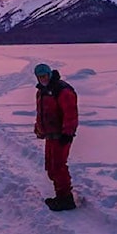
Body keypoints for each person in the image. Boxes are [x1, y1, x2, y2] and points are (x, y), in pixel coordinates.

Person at [33, 63, 78, 211]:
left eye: (44, 76)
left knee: (58, 166)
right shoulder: (42, 91)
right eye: (40, 77)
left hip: (61, 136)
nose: (42, 79)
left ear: (49, 74)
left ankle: (66, 199)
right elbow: (41, 113)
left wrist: (68, 133)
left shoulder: (62, 90)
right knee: (51, 166)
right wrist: (39, 129)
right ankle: (61, 195)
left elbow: (71, 113)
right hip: (50, 135)